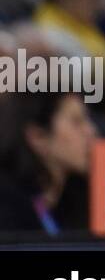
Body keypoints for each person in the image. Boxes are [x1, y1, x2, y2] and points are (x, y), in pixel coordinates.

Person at [0, 89, 98, 237]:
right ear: (38, 137)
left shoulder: (84, 200)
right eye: (76, 122)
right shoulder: (8, 209)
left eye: (87, 119)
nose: (91, 131)